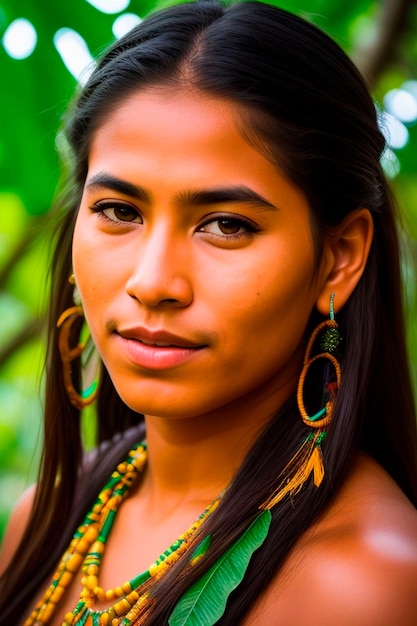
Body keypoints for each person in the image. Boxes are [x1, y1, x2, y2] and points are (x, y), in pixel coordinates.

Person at [1, 0, 417, 624]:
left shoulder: (361, 582)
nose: (153, 282)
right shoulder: (50, 518)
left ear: (338, 257)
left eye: (225, 225)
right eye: (119, 211)